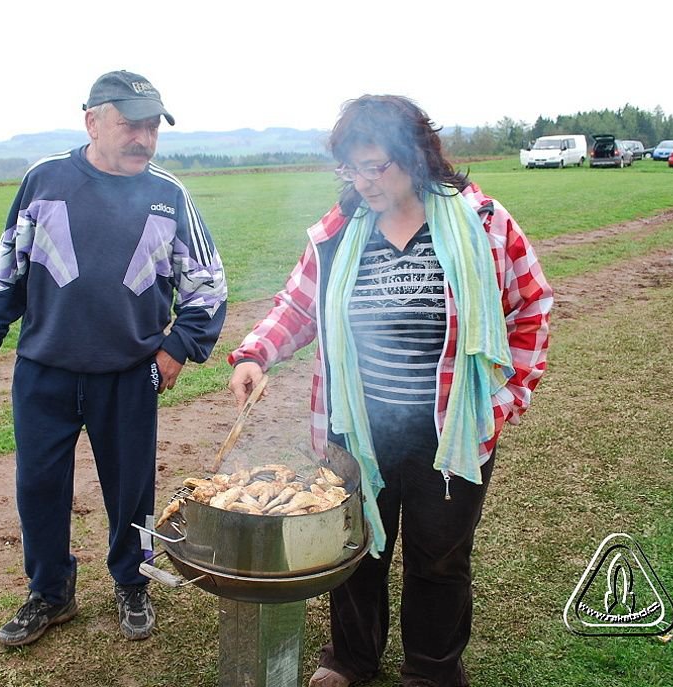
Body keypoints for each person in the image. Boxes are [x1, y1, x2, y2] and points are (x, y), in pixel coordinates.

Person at [227, 95, 552, 687]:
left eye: (379, 166)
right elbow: (298, 304)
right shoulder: (338, 230)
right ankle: (351, 659)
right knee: (354, 550)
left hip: (450, 428)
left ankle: (431, 669)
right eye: (353, 168)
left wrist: (503, 403)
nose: (365, 181)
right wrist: (255, 352)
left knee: (439, 556)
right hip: (357, 424)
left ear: (416, 157)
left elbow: (531, 308)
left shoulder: (481, 223)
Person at [0, 70, 228, 647]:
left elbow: (207, 284)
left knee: (131, 489)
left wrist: (177, 348)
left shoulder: (169, 194)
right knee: (38, 486)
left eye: (153, 127)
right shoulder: (45, 181)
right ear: (93, 121)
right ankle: (51, 594)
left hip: (128, 375)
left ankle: (132, 582)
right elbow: (7, 268)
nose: (144, 138)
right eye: (131, 124)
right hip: (44, 372)